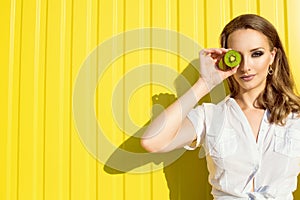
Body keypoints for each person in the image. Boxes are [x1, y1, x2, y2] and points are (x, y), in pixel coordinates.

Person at [141, 14, 300, 199]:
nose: (246, 66)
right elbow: (152, 141)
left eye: (256, 54)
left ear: (272, 56)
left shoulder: (295, 116)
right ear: (227, 58)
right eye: (237, 56)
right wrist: (204, 83)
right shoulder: (209, 116)